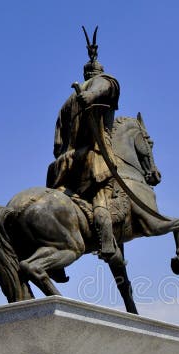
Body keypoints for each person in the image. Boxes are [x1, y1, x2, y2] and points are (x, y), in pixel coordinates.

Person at [46, 26, 124, 266]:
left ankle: (53, 245)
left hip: (63, 166)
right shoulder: (104, 83)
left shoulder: (65, 104)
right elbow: (106, 87)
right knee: (102, 197)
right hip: (93, 159)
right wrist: (91, 97)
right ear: (99, 73)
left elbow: (57, 142)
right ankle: (107, 244)